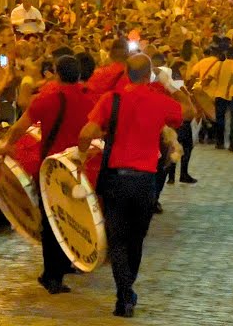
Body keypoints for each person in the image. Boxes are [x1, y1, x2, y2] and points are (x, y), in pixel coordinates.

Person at [77, 53, 193, 318]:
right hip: (145, 180)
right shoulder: (160, 101)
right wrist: (176, 88)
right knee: (136, 239)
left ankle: (123, 295)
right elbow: (189, 112)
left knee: (117, 239)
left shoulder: (111, 100)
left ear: (127, 73)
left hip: (116, 178)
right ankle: (128, 289)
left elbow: (86, 133)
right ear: (149, 74)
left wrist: (82, 157)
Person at [0, 54, 93, 295]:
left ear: (56, 74)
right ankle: (68, 261)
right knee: (73, 215)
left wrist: (7, 144)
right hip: (79, 166)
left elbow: (21, 125)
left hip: (51, 167)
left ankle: (51, 275)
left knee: (51, 219)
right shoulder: (90, 98)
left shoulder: (47, 98)